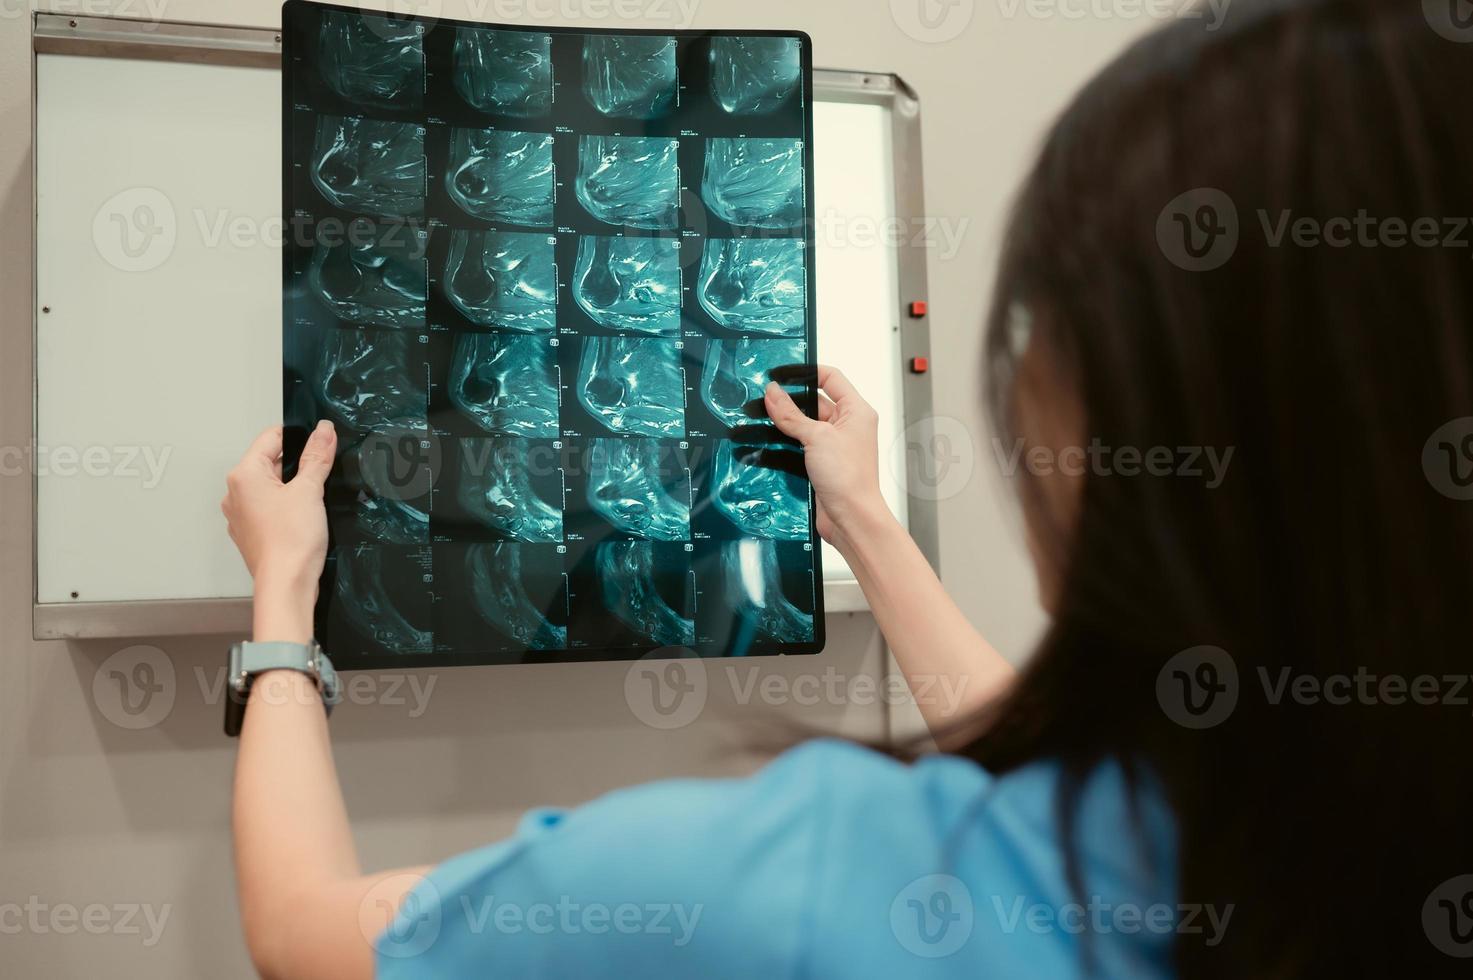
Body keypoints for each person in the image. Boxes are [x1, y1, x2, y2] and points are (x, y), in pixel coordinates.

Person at [220, 1, 1473, 976]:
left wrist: (283, 609)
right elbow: (1048, 763)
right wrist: (863, 515)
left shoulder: (810, 881)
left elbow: (307, 931)